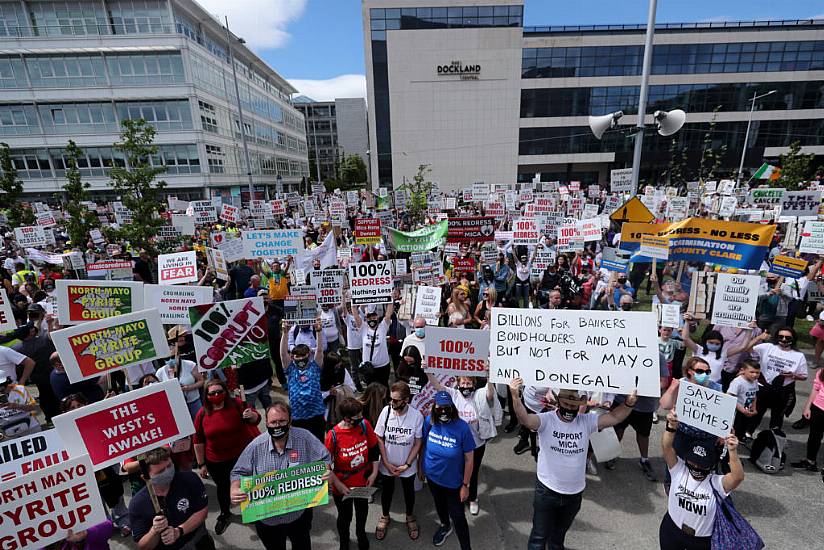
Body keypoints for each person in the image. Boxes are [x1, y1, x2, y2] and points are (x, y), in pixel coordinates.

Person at [508, 378, 638, 550]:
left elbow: (614, 417)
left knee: (558, 538)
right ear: (558, 401)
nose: (570, 408)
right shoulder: (546, 420)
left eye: (573, 405)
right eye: (566, 404)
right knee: (538, 538)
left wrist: (628, 404)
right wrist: (515, 397)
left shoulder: (586, 421)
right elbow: (525, 419)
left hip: (574, 495)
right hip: (547, 491)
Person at [231, 400, 332, 550]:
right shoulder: (255, 446)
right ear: (266, 423)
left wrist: (325, 470)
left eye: (282, 421)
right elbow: (238, 472)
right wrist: (234, 488)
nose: (277, 426)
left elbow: (324, 458)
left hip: (298, 515)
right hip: (267, 519)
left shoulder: (305, 438)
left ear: (290, 421)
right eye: (273, 422)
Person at [659, 411, 744, 550]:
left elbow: (738, 477)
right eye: (693, 462)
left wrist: (732, 450)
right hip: (671, 531)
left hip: (701, 542)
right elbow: (666, 447)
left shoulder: (717, 483)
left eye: (701, 465)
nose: (696, 467)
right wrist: (671, 426)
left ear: (711, 465)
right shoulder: (678, 470)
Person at [193, 378, 261, 535]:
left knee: (247, 486)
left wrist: (251, 415)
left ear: (225, 392)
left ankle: (254, 513)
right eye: (212, 393)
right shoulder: (202, 413)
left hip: (242, 457)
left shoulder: (237, 404)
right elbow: (198, 440)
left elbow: (255, 420)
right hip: (216, 461)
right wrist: (201, 464)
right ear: (206, 395)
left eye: (219, 392)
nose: (216, 395)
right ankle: (225, 513)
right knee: (223, 488)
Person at [430, 375, 499, 515]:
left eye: (469, 383)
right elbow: (437, 386)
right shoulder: (454, 394)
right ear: (458, 384)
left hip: (477, 444)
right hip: (458, 444)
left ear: (474, 384)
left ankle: (472, 498)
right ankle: (458, 496)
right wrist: (427, 370)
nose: (466, 386)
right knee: (458, 471)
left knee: (473, 472)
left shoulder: (479, 395)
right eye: (463, 383)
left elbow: (490, 393)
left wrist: (489, 374)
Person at [129, 447, 214, 550]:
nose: (167, 472)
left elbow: (202, 512)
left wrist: (179, 531)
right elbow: (144, 546)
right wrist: (154, 531)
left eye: (169, 466)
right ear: (145, 478)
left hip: (198, 541)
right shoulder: (137, 504)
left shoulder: (189, 479)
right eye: (160, 472)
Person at [420, 391, 475, 550]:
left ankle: (466, 547)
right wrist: (421, 468)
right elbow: (424, 445)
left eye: (447, 407)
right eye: (440, 408)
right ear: (434, 408)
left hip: (454, 483)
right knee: (439, 505)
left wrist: (465, 485)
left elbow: (469, 459)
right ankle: (445, 525)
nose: (443, 411)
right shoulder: (430, 421)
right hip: (432, 477)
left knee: (458, 516)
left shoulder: (462, 427)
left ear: (452, 407)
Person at [604, 353, 670, 482]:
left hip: (645, 405)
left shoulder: (658, 356)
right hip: (622, 401)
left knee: (643, 434)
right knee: (618, 429)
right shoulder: (625, 350)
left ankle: (644, 460)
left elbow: (663, 382)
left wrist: (641, 387)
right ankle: (612, 456)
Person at [326, 398, 380, 550]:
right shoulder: (333, 435)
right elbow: (326, 466)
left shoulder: (364, 425)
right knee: (345, 516)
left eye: (361, 414)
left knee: (362, 512)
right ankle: (344, 541)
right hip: (342, 486)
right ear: (346, 418)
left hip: (363, 481)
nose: (361, 418)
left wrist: (374, 473)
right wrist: (338, 484)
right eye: (357, 416)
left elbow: (374, 449)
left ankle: (361, 534)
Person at [374, 381, 424, 542]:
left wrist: (407, 464)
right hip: (387, 464)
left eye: (395, 400)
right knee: (387, 491)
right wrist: (386, 463)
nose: (391, 403)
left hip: (406, 465)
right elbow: (379, 437)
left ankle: (410, 516)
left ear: (406, 400)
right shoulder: (386, 411)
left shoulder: (416, 416)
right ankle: (385, 516)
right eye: (390, 399)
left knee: (409, 491)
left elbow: (417, 443)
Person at [737, 326, 807, 432]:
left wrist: (792, 376)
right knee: (756, 413)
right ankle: (747, 435)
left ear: (793, 339)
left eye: (787, 338)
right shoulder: (767, 347)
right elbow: (746, 348)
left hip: (783, 390)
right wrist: (758, 338)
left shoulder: (799, 356)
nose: (783, 339)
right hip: (762, 387)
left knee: (777, 418)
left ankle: (774, 440)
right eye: (781, 336)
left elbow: (804, 376)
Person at [279, 320, 327, 441]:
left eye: (303, 355)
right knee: (301, 445)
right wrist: (285, 333)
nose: (301, 359)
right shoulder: (291, 370)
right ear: (292, 357)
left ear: (309, 354)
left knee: (318, 443)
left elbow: (320, 350)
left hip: (316, 415)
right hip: (297, 417)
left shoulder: (315, 367)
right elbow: (283, 354)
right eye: (297, 356)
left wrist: (319, 331)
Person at [352, 303, 395, 388]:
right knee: (371, 389)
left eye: (374, 317)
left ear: (378, 318)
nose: (372, 320)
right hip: (369, 368)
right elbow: (356, 317)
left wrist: (391, 300)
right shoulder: (363, 328)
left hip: (383, 366)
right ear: (366, 319)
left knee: (384, 388)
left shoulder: (383, 327)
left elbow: (388, 314)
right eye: (369, 318)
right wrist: (353, 303)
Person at [790, 365, 824, 471]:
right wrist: (807, 407)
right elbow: (815, 389)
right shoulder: (821, 372)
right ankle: (810, 461)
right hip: (818, 408)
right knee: (814, 436)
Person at [726, 359, 760, 440]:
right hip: (737, 411)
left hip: (747, 409)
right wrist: (742, 410)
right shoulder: (738, 382)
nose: (755, 375)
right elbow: (730, 397)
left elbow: (754, 395)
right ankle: (731, 442)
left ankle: (740, 437)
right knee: (735, 427)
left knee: (745, 425)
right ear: (743, 370)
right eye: (752, 372)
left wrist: (754, 408)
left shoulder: (754, 381)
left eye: (757, 372)